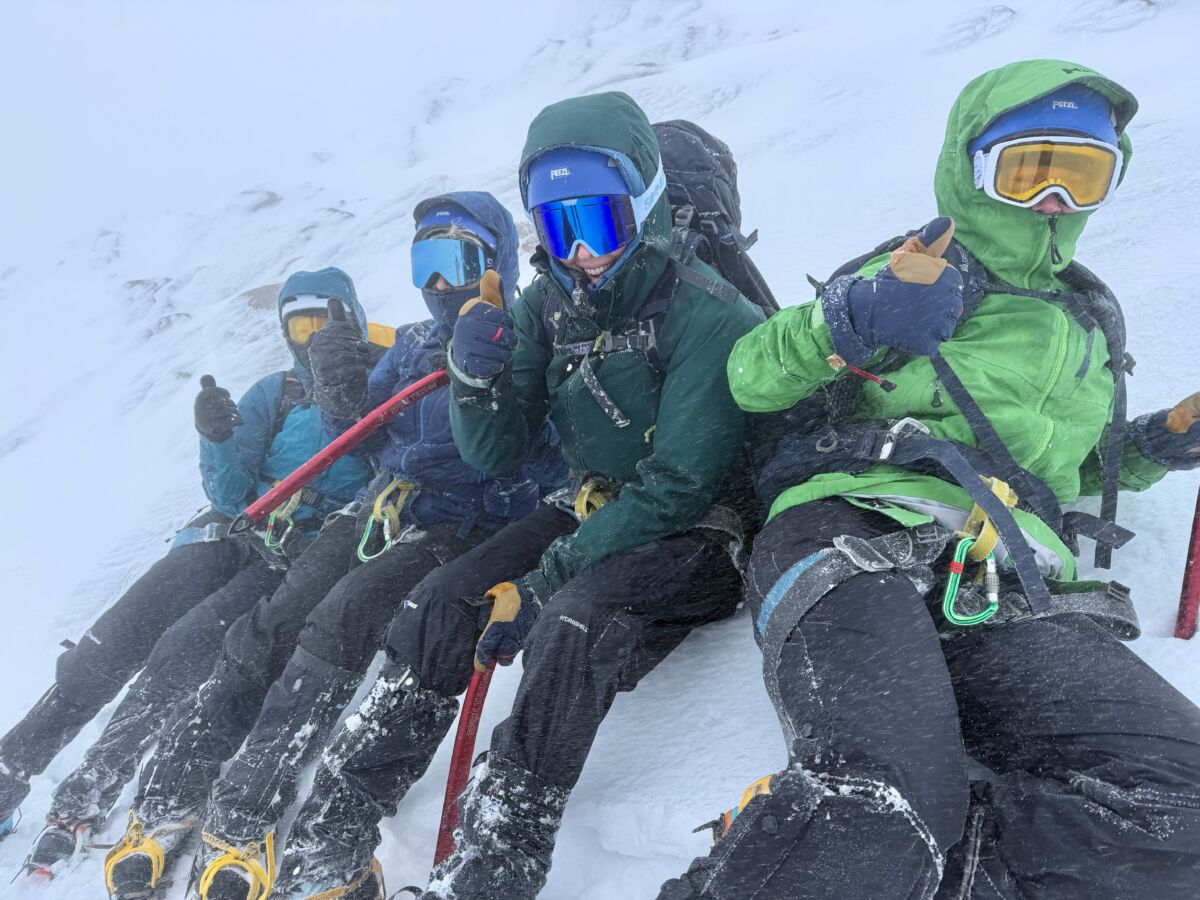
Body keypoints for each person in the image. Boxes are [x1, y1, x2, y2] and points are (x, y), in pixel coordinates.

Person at [657, 59, 1200, 900]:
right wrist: (852, 316)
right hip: (851, 529)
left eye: (1081, 175)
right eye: (1027, 172)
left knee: (1183, 805)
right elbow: (752, 378)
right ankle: (850, 841)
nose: (1052, 202)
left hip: (1003, 576)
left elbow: (1067, 468)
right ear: (969, 166)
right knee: (887, 803)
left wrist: (1158, 444)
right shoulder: (915, 271)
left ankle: (864, 857)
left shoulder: (1088, 321)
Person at [272, 90, 765, 900]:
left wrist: (543, 581)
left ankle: (495, 864)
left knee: (574, 623)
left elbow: (680, 487)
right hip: (594, 507)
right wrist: (475, 375)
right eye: (555, 225)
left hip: (700, 533)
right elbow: (495, 450)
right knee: (439, 602)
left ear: (645, 207)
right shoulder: (549, 305)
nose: (578, 251)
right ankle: (335, 830)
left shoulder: (711, 315)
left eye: (597, 224)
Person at [102, 192, 566, 900]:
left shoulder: (523, 335)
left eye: (456, 261)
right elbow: (366, 432)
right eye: (425, 264)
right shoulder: (413, 342)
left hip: (460, 523)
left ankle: (251, 810)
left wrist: (474, 378)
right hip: (378, 507)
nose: (439, 285)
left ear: (495, 259)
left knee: (338, 623)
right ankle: (172, 797)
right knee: (268, 626)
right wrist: (342, 393)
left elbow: (500, 455)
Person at [1, 269, 375, 868]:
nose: (310, 338)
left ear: (350, 316)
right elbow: (229, 495)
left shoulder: (375, 384)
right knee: (114, 637)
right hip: (231, 530)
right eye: (298, 325)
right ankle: (10, 769)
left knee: (181, 648)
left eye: (322, 322)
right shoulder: (274, 394)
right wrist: (219, 440)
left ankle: (93, 781)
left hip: (295, 552)